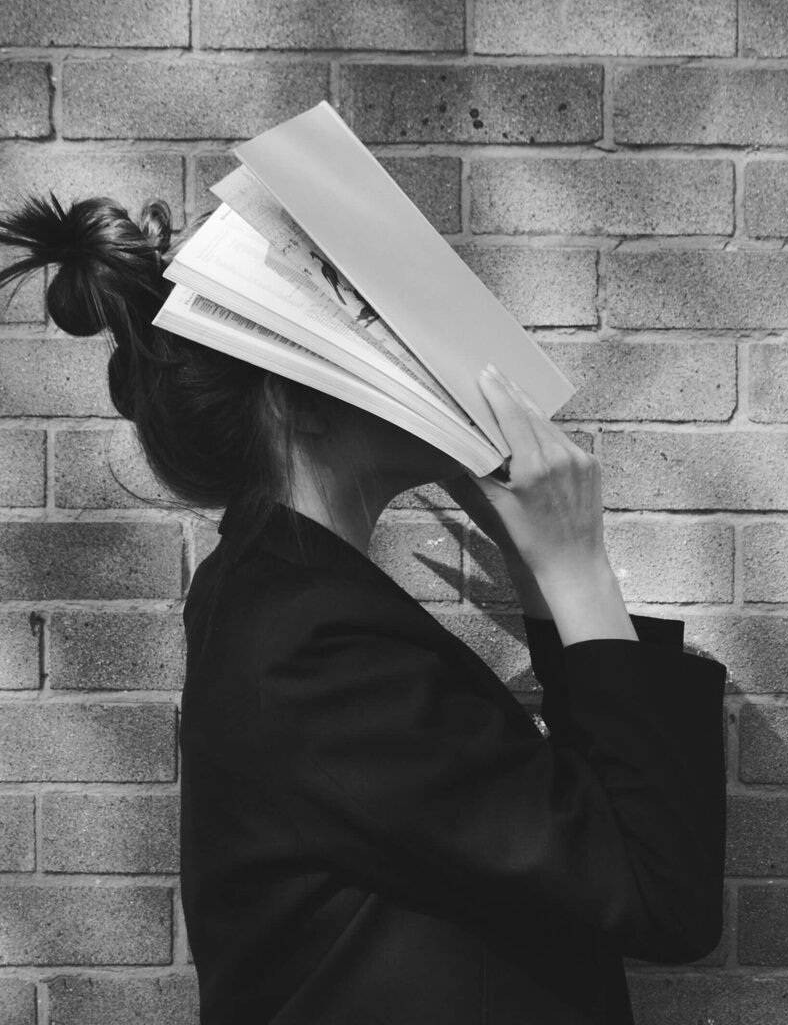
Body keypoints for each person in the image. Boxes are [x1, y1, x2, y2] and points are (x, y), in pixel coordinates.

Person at [0, 195, 726, 1025]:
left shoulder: (277, 596)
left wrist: (539, 567)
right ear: (299, 397)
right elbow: (659, 888)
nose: (432, 365)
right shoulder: (314, 648)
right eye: (387, 341)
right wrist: (577, 567)